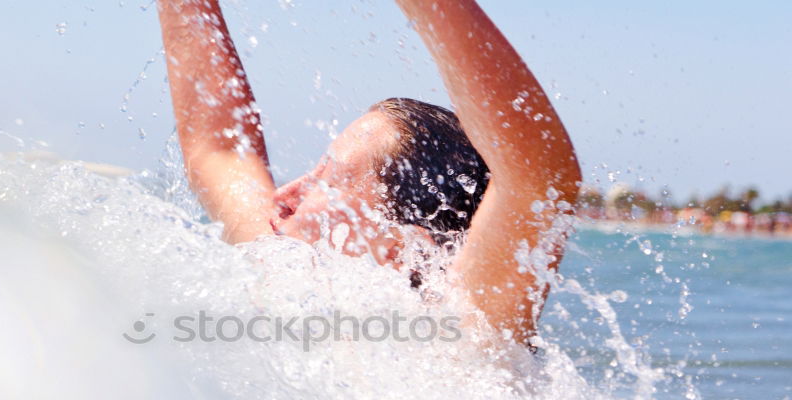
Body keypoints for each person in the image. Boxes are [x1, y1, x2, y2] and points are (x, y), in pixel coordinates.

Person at [156, 0, 580, 346]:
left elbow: (537, 181)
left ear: (403, 249)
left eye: (325, 181)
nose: (284, 195)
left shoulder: (464, 335)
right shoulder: (292, 270)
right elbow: (220, 149)